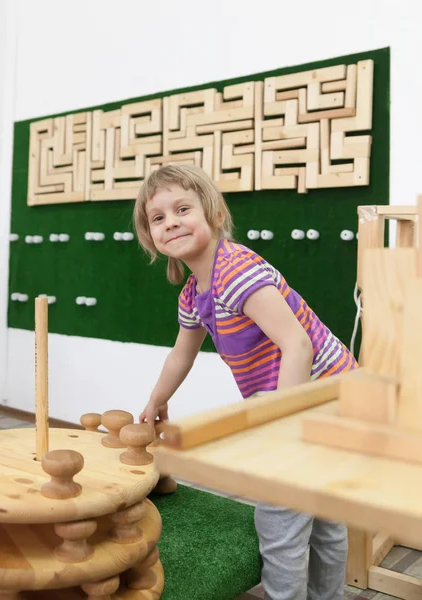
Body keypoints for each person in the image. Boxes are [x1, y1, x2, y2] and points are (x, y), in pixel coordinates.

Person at [133, 163, 358, 600]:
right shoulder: (194, 293)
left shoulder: (236, 271)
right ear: (151, 236)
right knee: (323, 515)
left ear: (214, 214)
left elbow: (297, 346)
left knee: (280, 519)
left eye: (183, 209)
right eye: (158, 218)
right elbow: (184, 351)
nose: (171, 222)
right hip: (327, 399)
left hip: (323, 400)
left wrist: (281, 426)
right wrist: (158, 398)